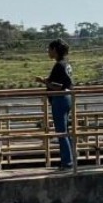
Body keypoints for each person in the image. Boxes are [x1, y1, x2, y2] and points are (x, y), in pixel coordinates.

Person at [38, 38, 75, 169]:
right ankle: (71, 160)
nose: (48, 52)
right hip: (67, 97)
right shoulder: (66, 64)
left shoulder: (59, 65)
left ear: (55, 50)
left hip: (60, 99)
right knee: (66, 131)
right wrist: (47, 81)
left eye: (49, 49)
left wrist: (44, 82)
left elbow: (57, 86)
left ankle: (67, 162)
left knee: (61, 132)